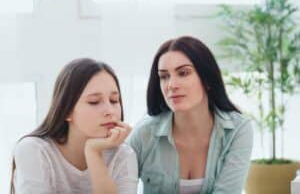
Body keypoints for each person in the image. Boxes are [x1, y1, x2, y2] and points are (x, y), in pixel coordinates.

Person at [129, 36, 253, 194]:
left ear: (207, 79)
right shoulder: (144, 134)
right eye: (164, 76)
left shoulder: (238, 130)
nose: (171, 85)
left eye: (183, 73)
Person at [11, 58, 138, 194]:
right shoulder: (34, 150)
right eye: (94, 102)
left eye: (114, 100)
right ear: (66, 111)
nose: (110, 111)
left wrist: (93, 152)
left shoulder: (123, 155)